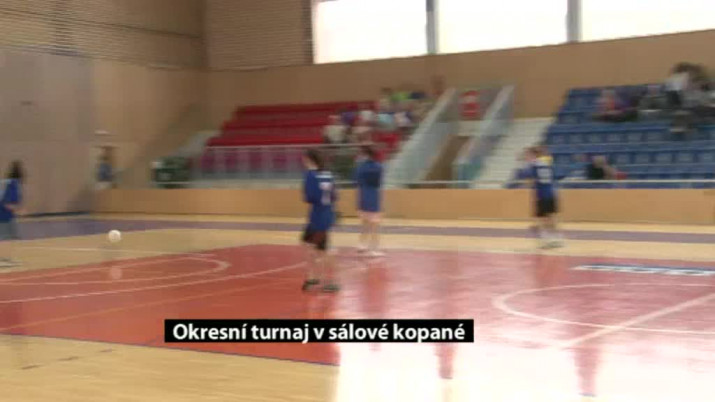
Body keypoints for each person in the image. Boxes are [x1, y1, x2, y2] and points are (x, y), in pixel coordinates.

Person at [301, 149, 339, 292]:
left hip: (317, 217)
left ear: (309, 160)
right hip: (326, 215)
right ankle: (315, 277)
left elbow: (309, 197)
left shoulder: (310, 175)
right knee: (309, 244)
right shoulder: (328, 174)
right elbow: (334, 196)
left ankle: (328, 281)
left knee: (321, 250)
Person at [525, 147, 563, 249]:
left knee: (541, 218)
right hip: (551, 192)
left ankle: (546, 240)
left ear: (533, 155)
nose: (526, 158)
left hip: (542, 194)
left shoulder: (534, 166)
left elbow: (531, 181)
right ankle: (558, 239)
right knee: (552, 217)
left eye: (528, 155)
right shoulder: (546, 163)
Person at [354, 145, 384, 257]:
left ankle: (361, 244)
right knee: (375, 225)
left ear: (365, 154)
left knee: (365, 222)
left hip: (363, 195)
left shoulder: (360, 168)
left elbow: (357, 182)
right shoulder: (379, 167)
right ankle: (374, 249)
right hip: (374, 196)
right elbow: (378, 183)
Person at [0, 161, 24, 267]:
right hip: (4, 215)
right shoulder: (13, 185)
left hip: (6, 215)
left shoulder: (7, 182)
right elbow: (6, 203)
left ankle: (7, 258)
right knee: (6, 237)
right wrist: (18, 210)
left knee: (9, 237)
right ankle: (4, 259)